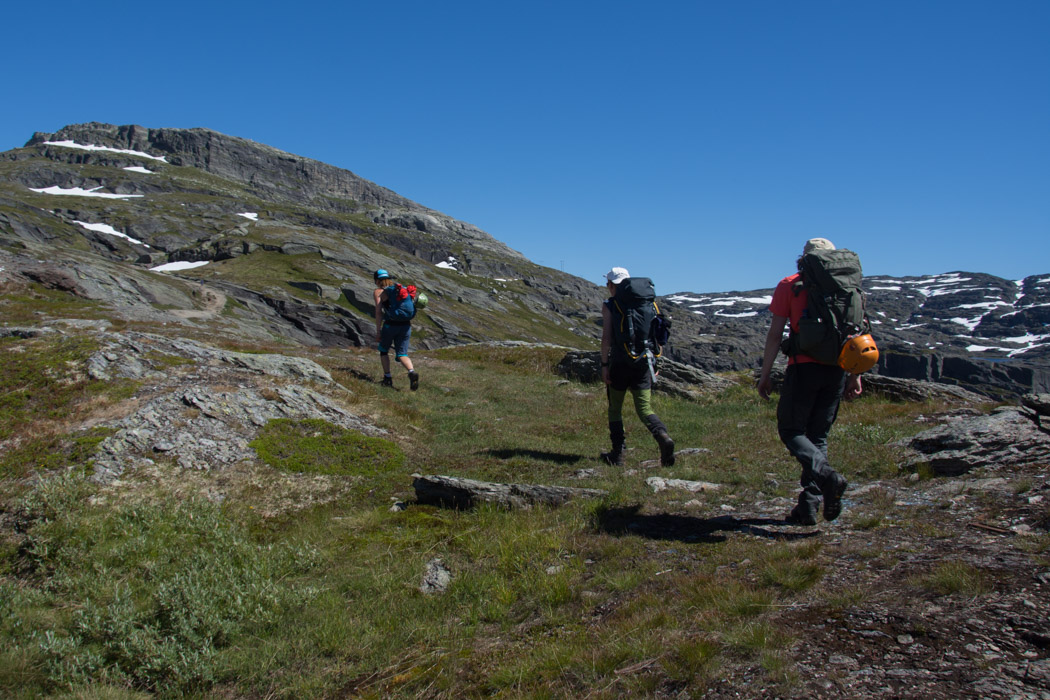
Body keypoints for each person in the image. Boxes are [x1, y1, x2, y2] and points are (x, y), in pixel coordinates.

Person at [757, 238, 860, 526]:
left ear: (804, 258)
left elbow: (775, 335)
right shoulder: (848, 287)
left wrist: (765, 374)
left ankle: (827, 478)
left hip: (803, 368)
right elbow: (857, 332)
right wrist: (855, 375)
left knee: (791, 430)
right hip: (838, 369)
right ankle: (809, 506)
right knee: (818, 437)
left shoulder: (790, 284)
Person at [599, 267, 676, 467]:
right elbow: (656, 336)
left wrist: (604, 365)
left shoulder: (610, 305)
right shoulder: (649, 303)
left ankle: (618, 454)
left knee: (615, 409)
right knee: (644, 408)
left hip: (619, 364)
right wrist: (654, 363)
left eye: (607, 283)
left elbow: (607, 338)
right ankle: (662, 436)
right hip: (643, 364)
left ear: (611, 285)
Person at [373, 268, 420, 390]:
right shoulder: (400, 289)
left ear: (377, 280)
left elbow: (378, 312)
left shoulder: (379, 292)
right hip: (405, 325)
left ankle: (387, 378)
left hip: (390, 325)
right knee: (402, 353)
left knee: (384, 351)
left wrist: (378, 331)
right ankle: (411, 372)